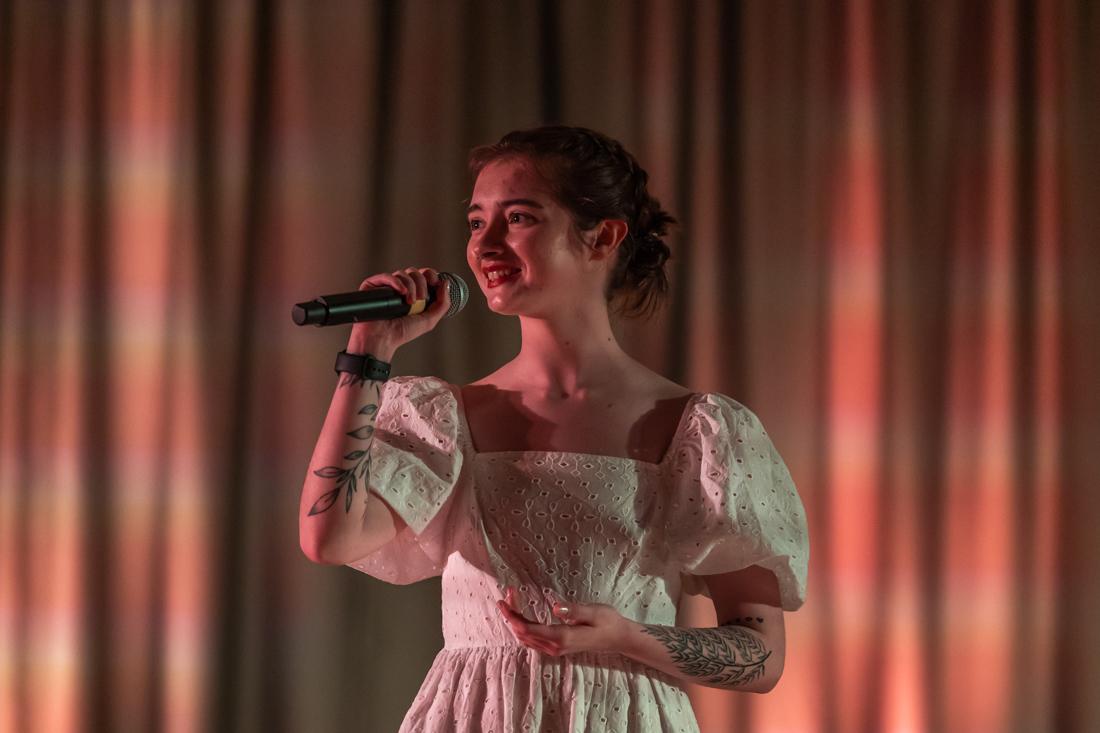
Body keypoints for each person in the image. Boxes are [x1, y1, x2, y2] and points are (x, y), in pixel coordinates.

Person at [298, 126, 809, 732]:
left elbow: (761, 654)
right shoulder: (443, 416)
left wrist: (627, 635)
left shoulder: (699, 431)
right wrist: (369, 352)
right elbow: (328, 538)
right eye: (475, 222)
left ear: (603, 236)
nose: (485, 244)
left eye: (517, 218)